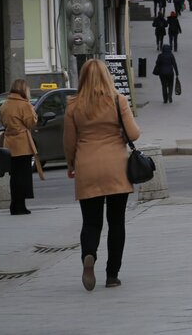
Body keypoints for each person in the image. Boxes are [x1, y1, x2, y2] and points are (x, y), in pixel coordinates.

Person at [64, 59, 142, 291]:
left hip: (87, 167)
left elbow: (69, 143)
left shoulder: (73, 105)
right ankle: (112, 274)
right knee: (116, 222)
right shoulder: (118, 100)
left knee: (91, 222)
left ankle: (89, 255)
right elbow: (134, 134)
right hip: (116, 167)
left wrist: (71, 165)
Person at [0, 79, 43, 216]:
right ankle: (21, 205)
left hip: (9, 143)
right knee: (23, 175)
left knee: (14, 176)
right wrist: (34, 113)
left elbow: (2, 120)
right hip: (22, 143)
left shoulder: (5, 104)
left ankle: (14, 204)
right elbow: (31, 122)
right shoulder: (24, 105)